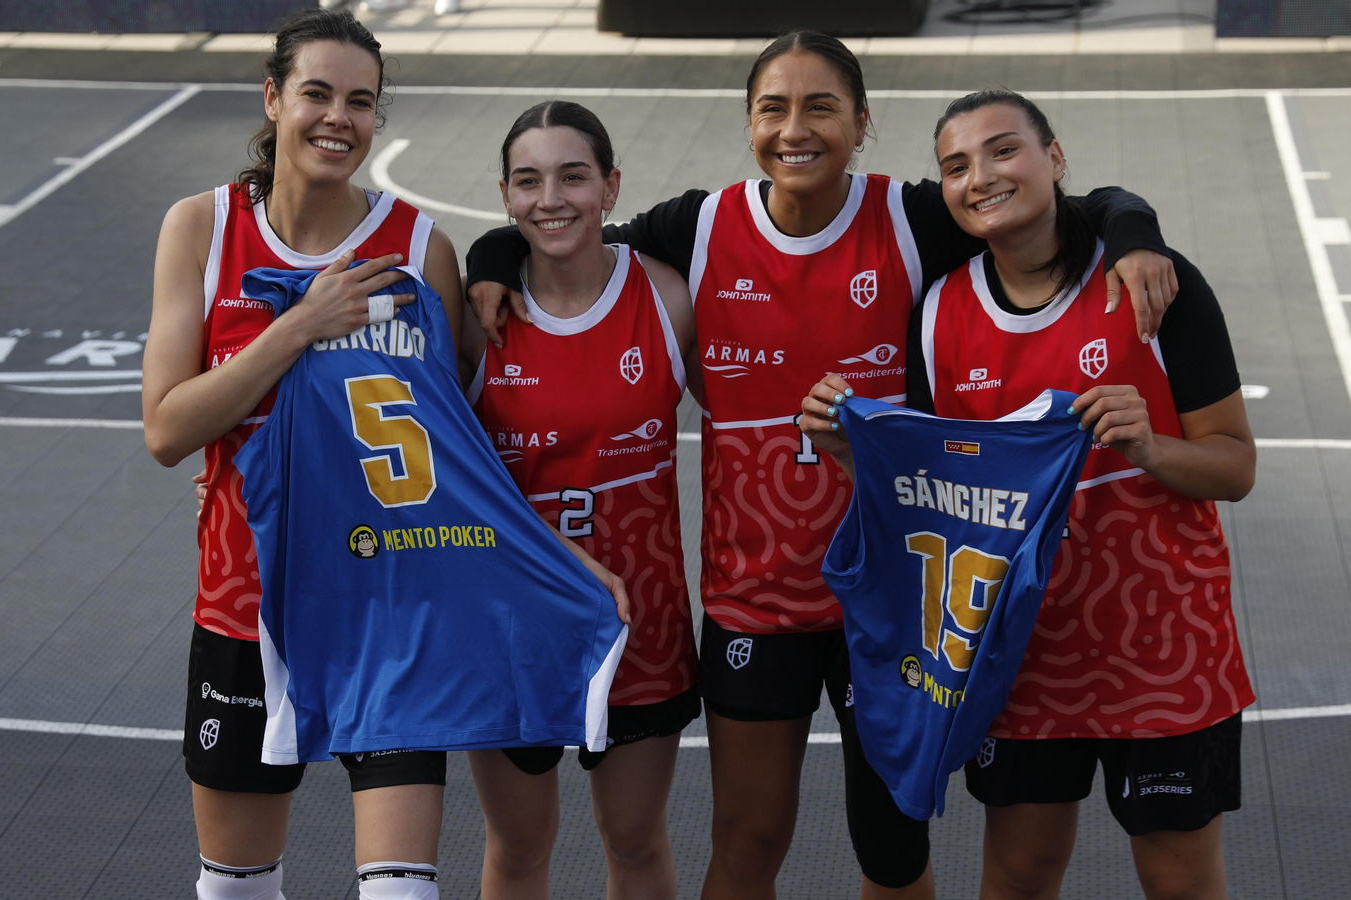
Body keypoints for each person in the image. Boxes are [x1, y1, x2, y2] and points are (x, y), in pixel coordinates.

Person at [464, 32, 1181, 900]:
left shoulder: (913, 220)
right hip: (755, 601)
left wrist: (1134, 227)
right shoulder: (701, 227)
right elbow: (563, 231)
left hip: (888, 600)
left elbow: (1050, 204)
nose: (795, 129)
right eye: (773, 108)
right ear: (749, 124)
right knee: (747, 840)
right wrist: (488, 258)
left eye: (821, 107)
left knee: (890, 846)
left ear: (862, 122)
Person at [801, 89, 1256, 900]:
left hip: (1162, 647)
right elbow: (934, 497)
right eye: (956, 166)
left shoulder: (1151, 282)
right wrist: (849, 453)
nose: (980, 176)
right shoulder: (940, 311)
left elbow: (1235, 466)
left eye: (1003, 150)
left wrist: (1150, 446)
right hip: (1019, 651)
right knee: (1018, 876)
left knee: (1179, 879)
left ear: (1056, 157)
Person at [142, 10, 462, 899]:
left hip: (387, 612)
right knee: (237, 887)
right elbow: (166, 429)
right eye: (317, 93)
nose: (338, 118)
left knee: (402, 891)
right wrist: (298, 327)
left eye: (360, 102)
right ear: (274, 98)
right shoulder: (201, 229)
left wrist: (504, 270)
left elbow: (466, 441)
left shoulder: (419, 249)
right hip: (247, 605)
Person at [461, 100, 699, 900]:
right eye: (528, 181)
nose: (551, 198)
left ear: (611, 186)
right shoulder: (475, 319)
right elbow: (422, 461)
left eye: (573, 176)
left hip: (639, 618)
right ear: (505, 195)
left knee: (634, 841)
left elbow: (755, 416)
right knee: (518, 848)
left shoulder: (668, 297)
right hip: (510, 621)